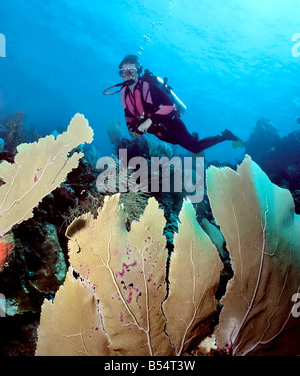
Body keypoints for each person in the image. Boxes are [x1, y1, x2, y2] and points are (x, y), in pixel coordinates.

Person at [119, 54, 238, 154]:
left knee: (195, 148)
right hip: (159, 132)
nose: (127, 76)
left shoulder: (150, 86)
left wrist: (148, 121)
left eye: (132, 72)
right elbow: (128, 114)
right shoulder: (124, 92)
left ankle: (225, 136)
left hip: (172, 124)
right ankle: (194, 138)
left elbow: (170, 106)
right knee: (183, 142)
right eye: (123, 73)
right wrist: (131, 128)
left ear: (138, 72)